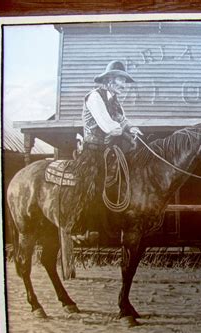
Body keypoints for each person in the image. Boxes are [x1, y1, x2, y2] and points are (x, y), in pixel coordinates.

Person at [61, 60, 142, 236]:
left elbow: (122, 120)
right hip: (92, 150)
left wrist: (131, 128)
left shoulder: (115, 101)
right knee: (92, 184)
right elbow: (109, 126)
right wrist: (124, 133)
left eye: (125, 81)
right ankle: (82, 226)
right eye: (122, 80)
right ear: (110, 79)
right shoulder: (94, 96)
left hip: (108, 149)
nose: (124, 85)